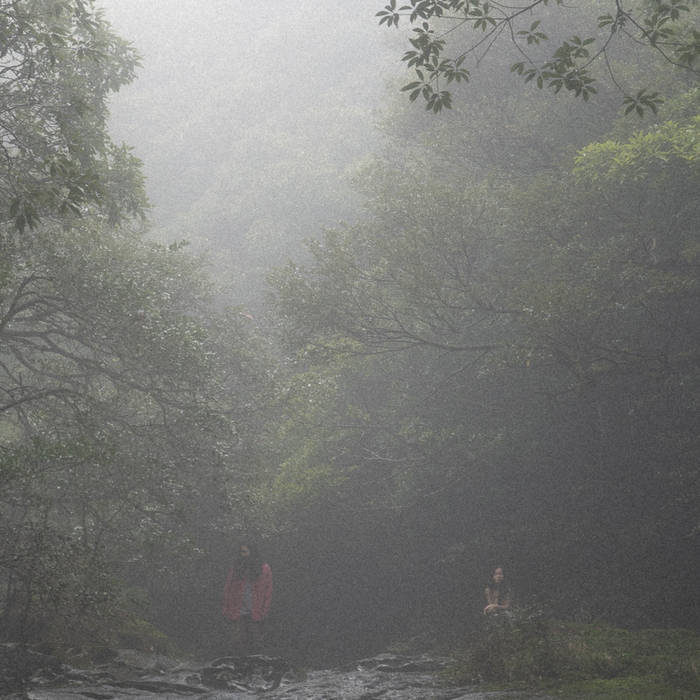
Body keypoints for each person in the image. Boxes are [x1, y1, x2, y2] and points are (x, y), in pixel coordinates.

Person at [222, 542, 272, 654]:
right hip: (237, 610)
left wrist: (264, 610)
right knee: (237, 640)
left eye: (245, 552)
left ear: (252, 552)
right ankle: (236, 663)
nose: (242, 554)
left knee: (256, 641)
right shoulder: (236, 568)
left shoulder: (264, 569)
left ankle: (257, 663)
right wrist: (226, 607)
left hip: (256, 610)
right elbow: (228, 588)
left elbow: (268, 591)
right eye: (241, 552)